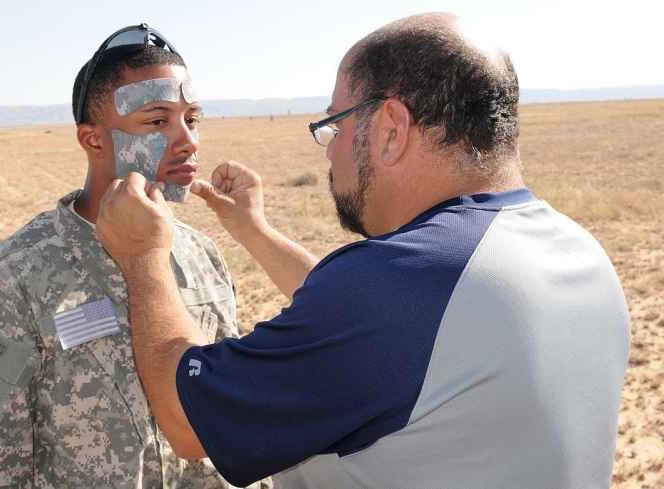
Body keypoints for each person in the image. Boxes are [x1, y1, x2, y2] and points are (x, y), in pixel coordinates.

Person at [95, 13, 632, 489]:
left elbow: (188, 422)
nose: (331, 153)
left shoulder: (400, 284)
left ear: (392, 129)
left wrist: (142, 258)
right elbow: (389, 339)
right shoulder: (575, 253)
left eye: (334, 126)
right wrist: (255, 231)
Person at [0, 24, 268, 489]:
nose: (188, 141)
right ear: (94, 140)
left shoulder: (201, 255)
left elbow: (229, 414)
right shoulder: (9, 278)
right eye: (157, 121)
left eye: (193, 118)